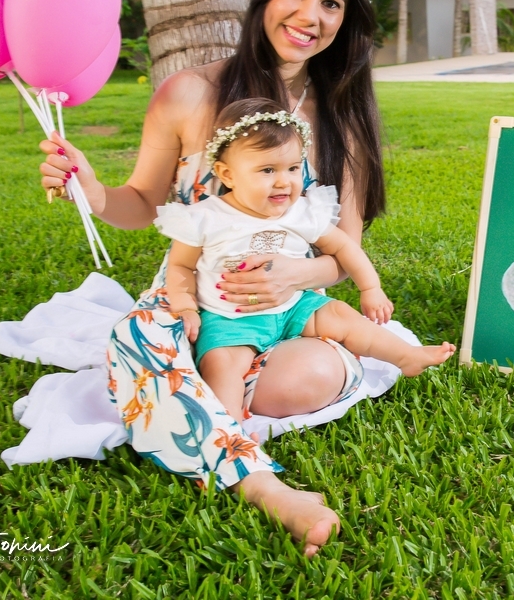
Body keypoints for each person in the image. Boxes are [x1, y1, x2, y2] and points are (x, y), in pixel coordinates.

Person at [36, 0, 396, 556]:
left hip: (296, 309)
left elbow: (344, 255)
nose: (309, 15)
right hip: (201, 303)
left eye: (331, 3)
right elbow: (142, 202)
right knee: (138, 337)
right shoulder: (190, 94)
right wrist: (92, 191)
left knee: (301, 378)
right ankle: (262, 485)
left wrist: (293, 279)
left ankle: (198, 404)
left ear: (348, 18)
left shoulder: (343, 117)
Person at [159, 98, 456, 421]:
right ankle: (227, 431)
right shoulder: (206, 217)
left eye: (292, 168)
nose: (284, 181)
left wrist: (370, 287)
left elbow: (344, 247)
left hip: (294, 308)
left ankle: (405, 356)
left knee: (341, 315)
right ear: (227, 174)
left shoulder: (301, 210)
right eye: (267, 170)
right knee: (222, 365)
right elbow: (181, 267)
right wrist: (186, 306)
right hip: (231, 319)